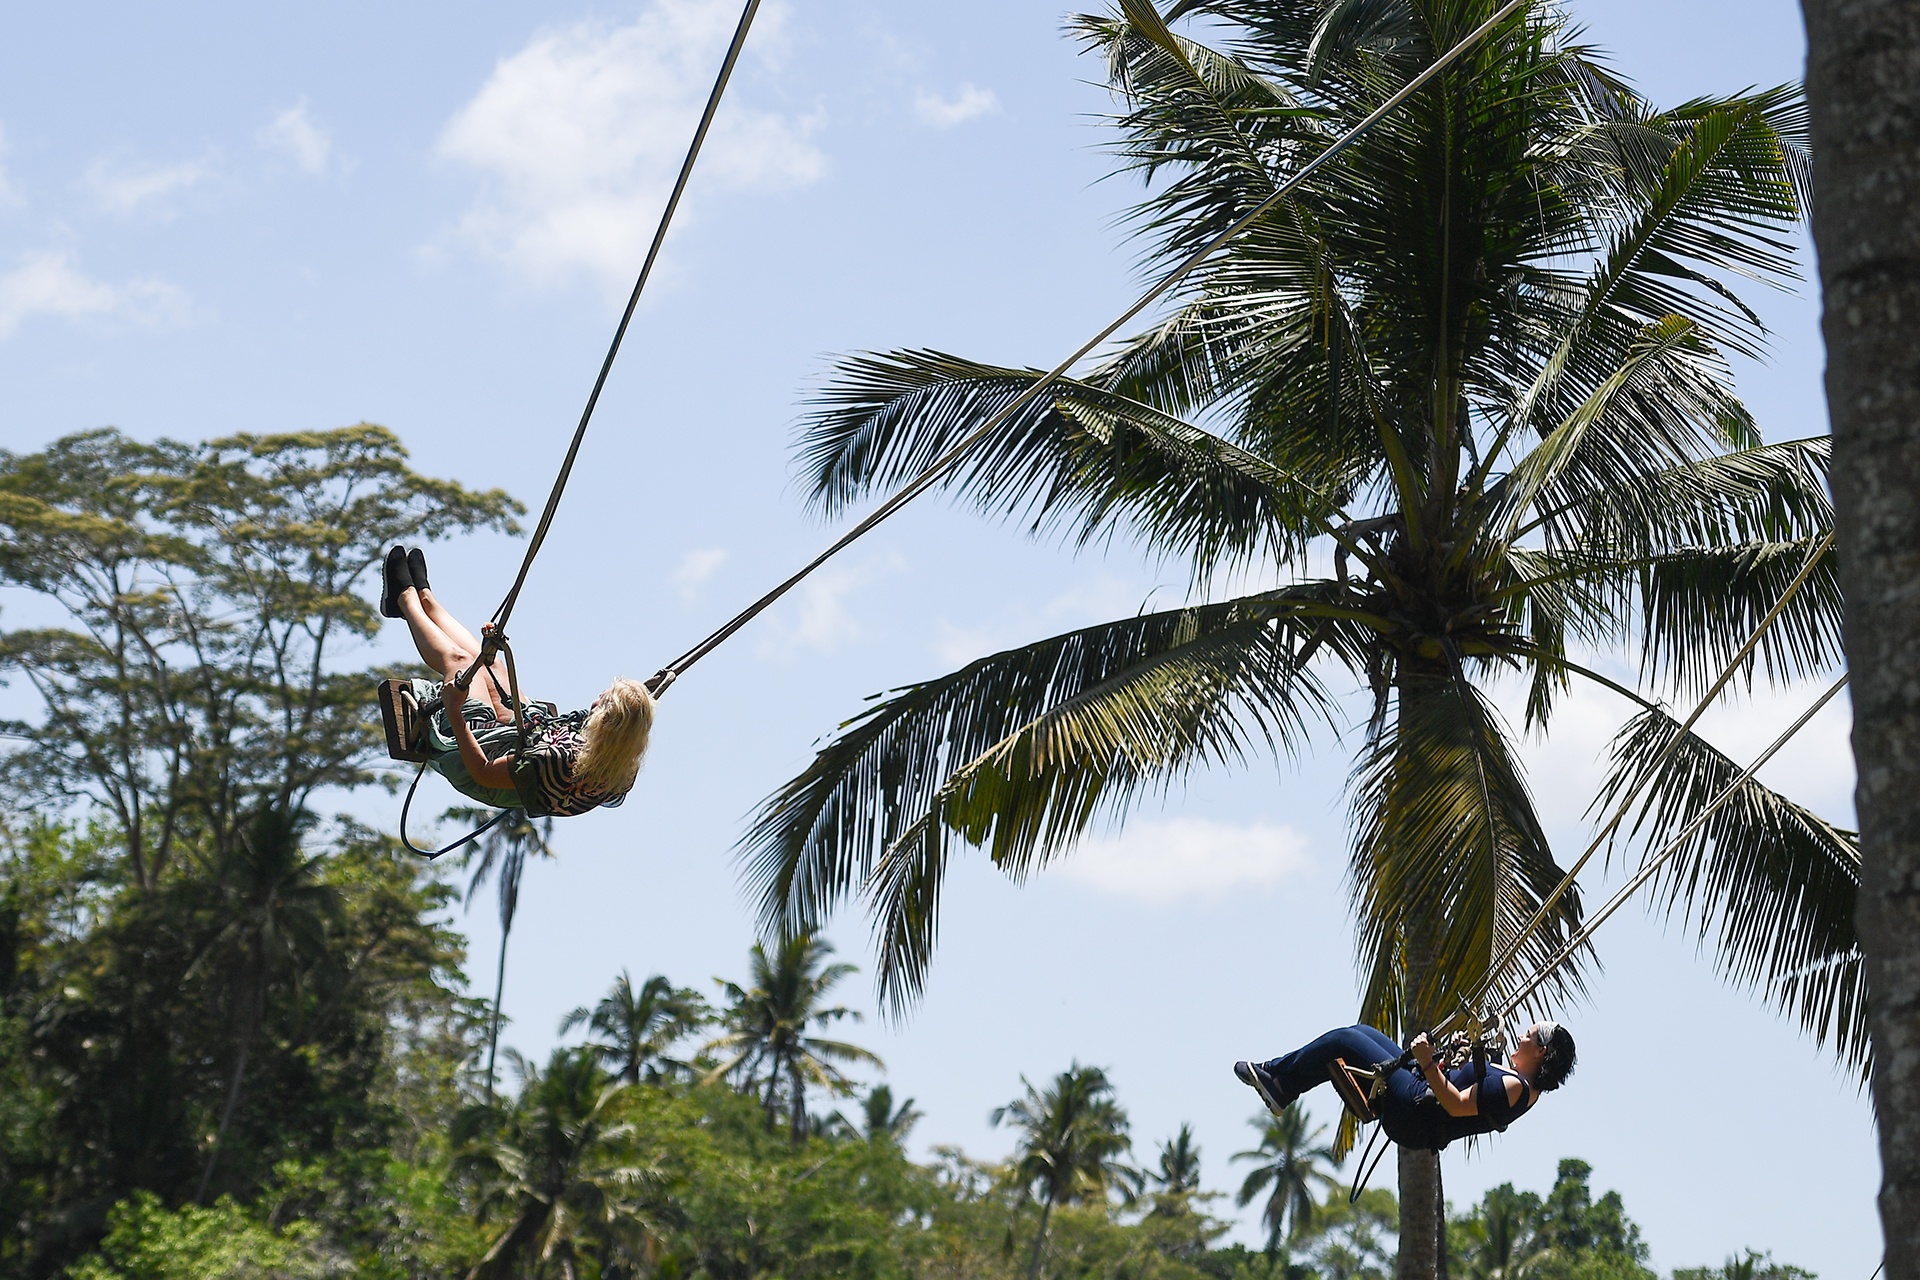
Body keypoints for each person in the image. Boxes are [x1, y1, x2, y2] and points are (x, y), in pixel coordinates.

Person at [381, 545, 653, 817]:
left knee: (462, 664)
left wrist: (454, 711)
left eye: (603, 699)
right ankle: (428, 600)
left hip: (483, 765)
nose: (598, 696)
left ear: (604, 720)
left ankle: (405, 600)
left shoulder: (556, 761)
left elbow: (483, 771)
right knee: (491, 664)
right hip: (526, 739)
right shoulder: (621, 762)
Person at [1233, 1021, 1576, 1151]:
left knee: (1345, 1040)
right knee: (1361, 1031)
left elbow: (1456, 1104)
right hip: (1417, 1091)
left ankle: (1280, 1082)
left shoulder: (1517, 1089)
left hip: (1414, 1113)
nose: (1520, 1036)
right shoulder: (1521, 1085)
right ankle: (1279, 1079)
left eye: (1528, 1036)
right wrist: (1452, 1055)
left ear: (1541, 1051)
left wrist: (1427, 1061)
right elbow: (1470, 1081)